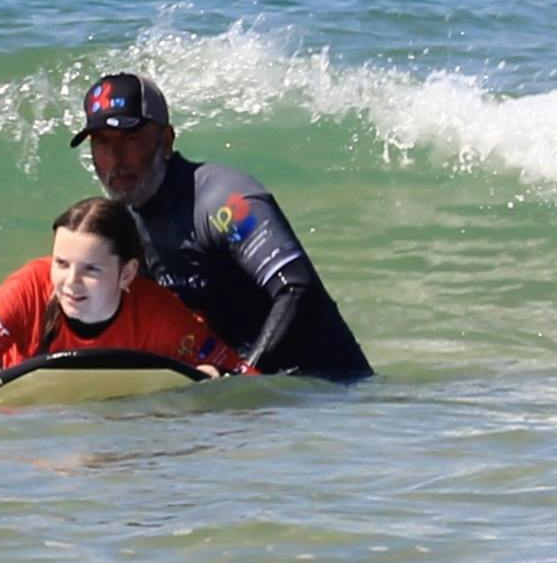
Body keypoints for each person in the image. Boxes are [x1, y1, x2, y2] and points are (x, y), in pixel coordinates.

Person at [66, 71, 372, 378]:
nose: (116, 159)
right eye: (102, 142)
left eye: (130, 138)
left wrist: (244, 380)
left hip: (326, 394)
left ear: (166, 140)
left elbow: (296, 287)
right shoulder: (125, 223)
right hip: (250, 406)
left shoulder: (224, 201)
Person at [0, 196, 246, 401]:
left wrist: (210, 382)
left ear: (127, 274)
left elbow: (243, 378)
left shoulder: (157, 312)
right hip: (30, 427)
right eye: (61, 264)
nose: (70, 283)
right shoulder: (28, 288)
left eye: (91, 269)